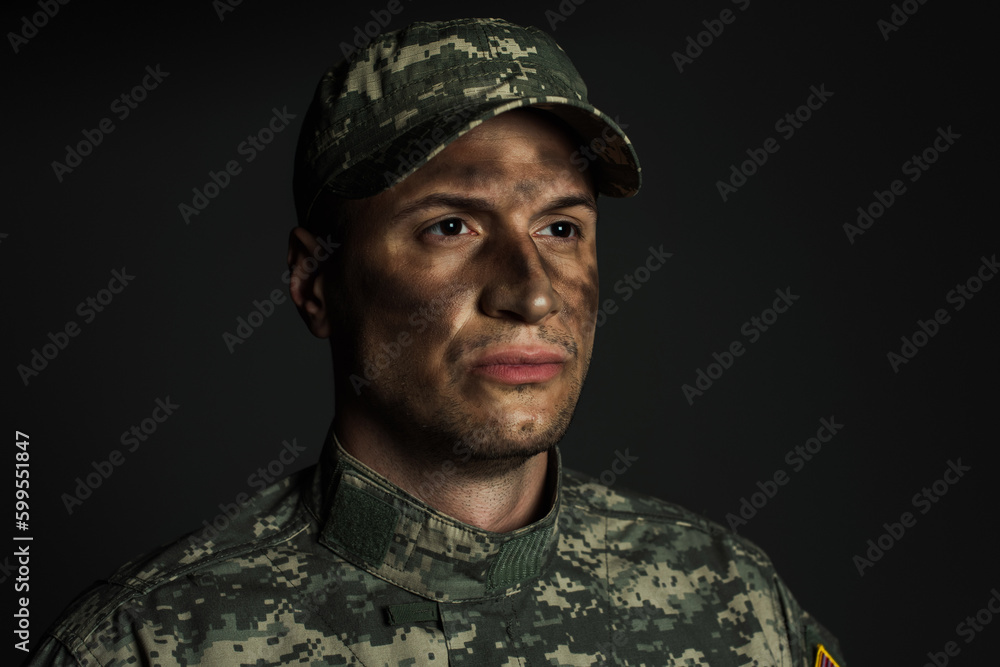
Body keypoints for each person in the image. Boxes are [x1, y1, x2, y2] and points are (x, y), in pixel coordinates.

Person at [27, 17, 846, 666]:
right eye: (451, 225)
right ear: (315, 280)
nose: (529, 291)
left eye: (561, 227)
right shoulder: (148, 643)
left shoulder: (734, 605)